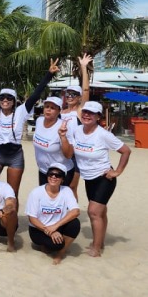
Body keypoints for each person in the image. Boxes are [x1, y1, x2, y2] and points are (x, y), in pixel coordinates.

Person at [0, 54, 59, 200]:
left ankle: (11, 222)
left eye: (9, 98)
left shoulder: (21, 111)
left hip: (15, 154)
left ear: (14, 101)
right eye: (2, 98)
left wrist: (49, 74)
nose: (5, 100)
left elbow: (36, 94)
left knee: (12, 193)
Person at [72, 101, 131, 257]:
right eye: (85, 112)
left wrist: (117, 171)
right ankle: (100, 242)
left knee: (93, 212)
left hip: (104, 178)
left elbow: (126, 151)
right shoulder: (77, 131)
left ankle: (96, 249)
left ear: (98, 117)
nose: (87, 115)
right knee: (101, 212)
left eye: (91, 113)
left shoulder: (103, 134)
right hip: (89, 179)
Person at [26, 163, 81, 264]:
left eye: (58, 175)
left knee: (75, 224)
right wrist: (49, 231)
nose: (53, 177)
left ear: (62, 179)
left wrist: (55, 226)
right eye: (51, 174)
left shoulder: (66, 191)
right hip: (38, 229)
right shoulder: (36, 192)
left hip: (56, 226)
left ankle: (60, 254)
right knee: (54, 245)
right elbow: (32, 218)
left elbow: (76, 211)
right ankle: (44, 245)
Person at [60, 54, 93, 198]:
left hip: (74, 154)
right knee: (59, 185)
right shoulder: (60, 112)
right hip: (60, 150)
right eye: (67, 94)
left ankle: (72, 213)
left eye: (73, 94)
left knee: (72, 186)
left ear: (79, 98)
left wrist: (84, 67)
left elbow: (86, 90)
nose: (70, 96)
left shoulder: (80, 111)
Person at [33, 96, 75, 187]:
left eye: (52, 108)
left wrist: (63, 137)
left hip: (60, 172)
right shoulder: (39, 121)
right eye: (47, 106)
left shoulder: (63, 126)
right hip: (43, 170)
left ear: (59, 111)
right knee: (44, 199)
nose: (48, 110)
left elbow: (69, 155)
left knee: (57, 200)